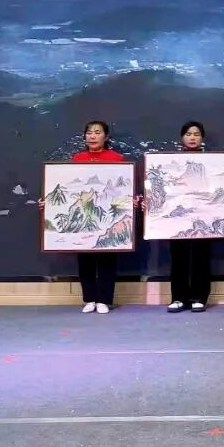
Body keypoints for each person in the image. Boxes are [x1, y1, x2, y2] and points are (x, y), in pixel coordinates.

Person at [69, 121, 126, 314]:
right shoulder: (77, 159)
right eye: (89, 132)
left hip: (108, 213)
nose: (92, 136)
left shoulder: (116, 158)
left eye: (97, 132)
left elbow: (123, 187)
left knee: (107, 257)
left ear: (106, 137)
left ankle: (104, 299)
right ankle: (89, 299)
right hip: (84, 213)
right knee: (85, 257)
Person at [165, 121, 213, 313]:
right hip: (178, 218)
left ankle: (199, 297)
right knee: (178, 257)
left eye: (196, 134)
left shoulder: (211, 161)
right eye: (188, 134)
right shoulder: (174, 162)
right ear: (182, 138)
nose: (192, 137)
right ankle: (178, 297)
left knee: (202, 256)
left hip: (204, 216)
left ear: (202, 138)